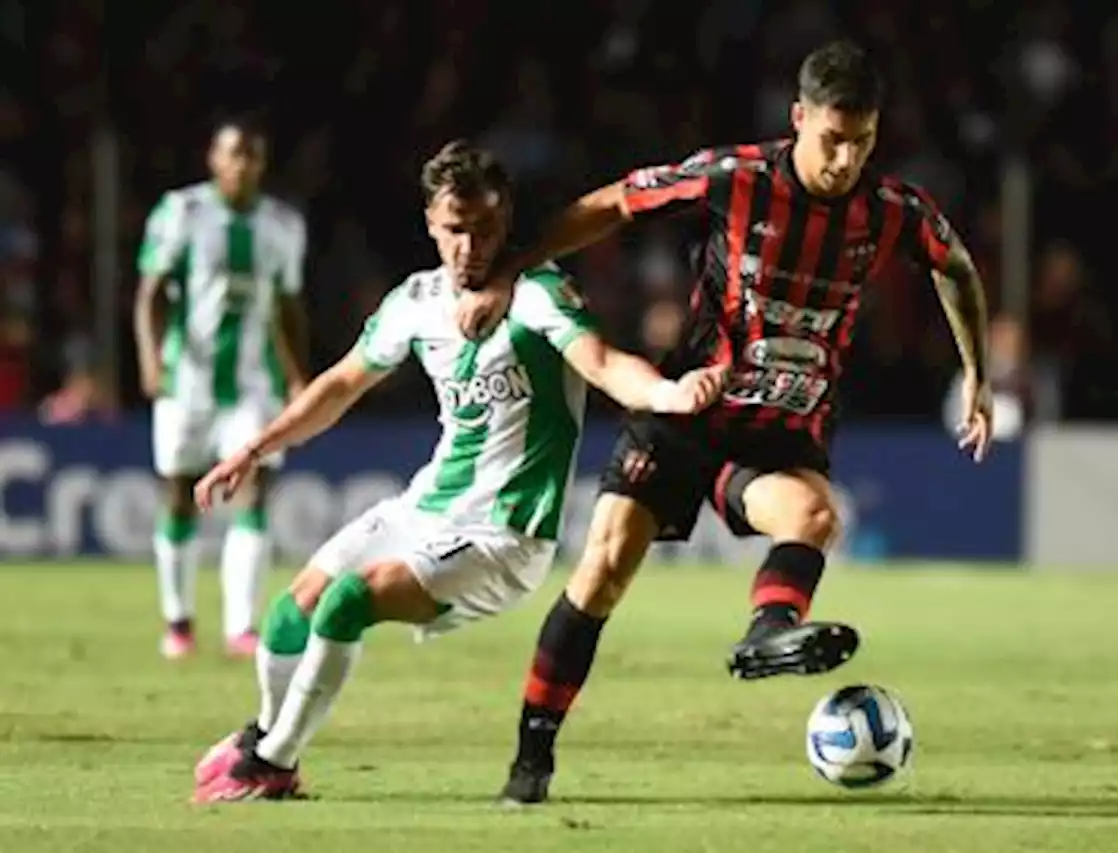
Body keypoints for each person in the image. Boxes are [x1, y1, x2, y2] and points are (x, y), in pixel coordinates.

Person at [454, 39, 996, 804]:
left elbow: (957, 265)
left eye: (862, 141)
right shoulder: (735, 177)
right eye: (832, 139)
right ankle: (531, 757)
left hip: (783, 435)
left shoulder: (892, 211)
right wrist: (510, 268)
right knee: (604, 570)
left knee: (814, 514)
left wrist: (976, 371)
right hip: (689, 409)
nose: (845, 159)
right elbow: (612, 202)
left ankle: (769, 629)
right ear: (799, 117)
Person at [187, 140, 727, 803]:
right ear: (429, 224)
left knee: (350, 598)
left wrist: (670, 393)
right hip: (426, 508)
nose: (471, 246)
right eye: (455, 230)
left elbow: (605, 364)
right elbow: (338, 385)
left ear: (507, 224)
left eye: (486, 229)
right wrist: (253, 448)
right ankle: (270, 735)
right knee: (288, 613)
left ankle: (272, 759)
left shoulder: (538, 294)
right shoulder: (415, 300)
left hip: (506, 535)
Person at [134, 116, 308, 660]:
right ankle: (179, 619)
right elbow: (151, 293)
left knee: (255, 492)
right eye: (233, 154)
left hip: (255, 383)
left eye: (252, 156)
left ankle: (241, 625)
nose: (242, 165)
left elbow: (287, 306)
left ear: (262, 163)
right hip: (187, 379)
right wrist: (149, 359)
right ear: (213, 158)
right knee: (179, 494)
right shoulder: (182, 212)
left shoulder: (282, 224)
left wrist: (299, 374)